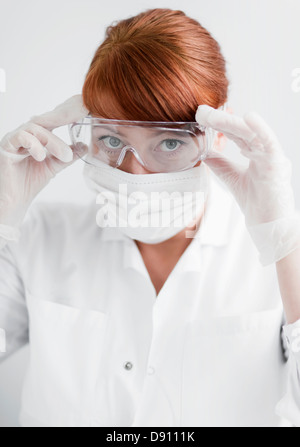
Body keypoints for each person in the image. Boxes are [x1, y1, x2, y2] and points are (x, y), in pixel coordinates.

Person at [0, 8, 299, 428]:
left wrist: (284, 241)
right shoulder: (37, 240)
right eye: (111, 139)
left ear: (215, 133)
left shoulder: (277, 261)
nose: (135, 174)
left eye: (170, 144)